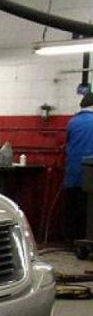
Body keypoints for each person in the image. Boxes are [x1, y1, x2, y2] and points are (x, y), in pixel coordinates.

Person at [64, 91, 93, 245]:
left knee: (73, 210)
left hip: (73, 175)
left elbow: (68, 144)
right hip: (90, 176)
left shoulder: (72, 122)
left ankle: (71, 242)